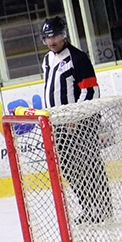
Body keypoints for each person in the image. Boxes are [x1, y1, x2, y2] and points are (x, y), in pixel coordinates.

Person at [41, 16, 113, 223]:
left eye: (54, 36)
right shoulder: (47, 59)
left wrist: (77, 118)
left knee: (90, 164)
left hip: (82, 123)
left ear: (63, 35)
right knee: (69, 169)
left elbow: (91, 91)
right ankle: (88, 206)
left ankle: (103, 207)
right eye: (47, 37)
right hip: (58, 124)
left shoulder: (78, 58)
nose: (51, 41)